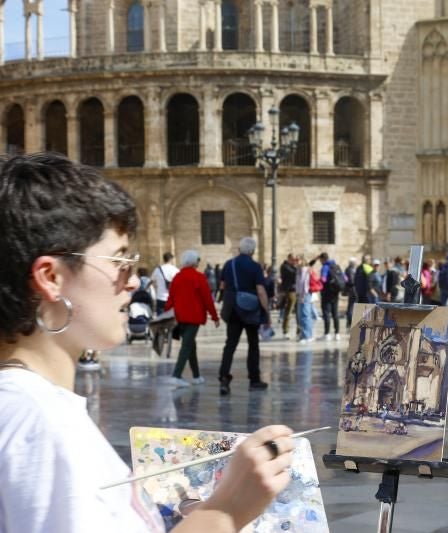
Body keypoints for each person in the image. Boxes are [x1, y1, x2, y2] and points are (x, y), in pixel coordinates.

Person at [0, 153, 294, 533]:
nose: (133, 280)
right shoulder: (41, 424)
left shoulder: (24, 406)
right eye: (119, 260)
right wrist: (226, 510)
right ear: (50, 277)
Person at [218, 237, 270, 395]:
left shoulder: (229, 264)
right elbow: (260, 290)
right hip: (250, 310)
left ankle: (224, 378)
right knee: (253, 345)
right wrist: (266, 312)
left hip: (233, 309)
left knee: (230, 344)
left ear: (239, 249)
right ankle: (254, 380)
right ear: (253, 250)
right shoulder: (255, 267)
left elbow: (222, 286)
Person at [165, 250, 219, 387]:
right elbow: (207, 299)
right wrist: (214, 316)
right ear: (194, 262)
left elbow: (170, 298)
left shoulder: (177, 277)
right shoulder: (199, 277)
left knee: (190, 345)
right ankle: (176, 375)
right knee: (187, 346)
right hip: (193, 317)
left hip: (179, 316)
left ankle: (196, 376)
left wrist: (167, 314)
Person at [317, 253, 343, 341]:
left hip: (326, 293)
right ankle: (337, 334)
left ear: (322, 259)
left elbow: (323, 279)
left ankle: (327, 334)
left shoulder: (325, 267)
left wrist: (318, 281)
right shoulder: (336, 266)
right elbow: (345, 278)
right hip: (335, 293)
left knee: (326, 313)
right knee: (335, 313)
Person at [279, 254, 297, 339]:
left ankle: (299, 331)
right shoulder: (285, 266)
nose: (295, 261)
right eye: (293, 259)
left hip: (296, 291)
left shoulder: (293, 267)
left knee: (298, 312)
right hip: (290, 291)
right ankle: (285, 331)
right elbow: (294, 274)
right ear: (289, 259)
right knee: (288, 311)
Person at [345, 257, 358, 328]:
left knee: (351, 306)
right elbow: (351, 281)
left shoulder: (349, 269)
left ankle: (349, 322)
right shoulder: (350, 270)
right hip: (352, 290)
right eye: (355, 262)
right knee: (351, 307)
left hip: (352, 290)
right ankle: (350, 322)